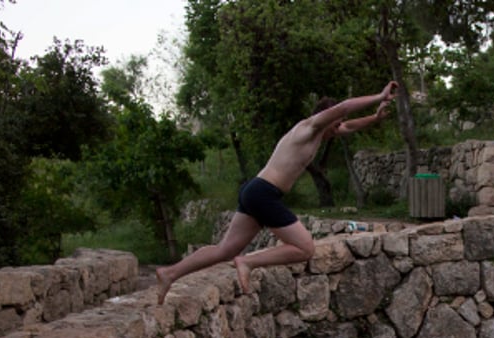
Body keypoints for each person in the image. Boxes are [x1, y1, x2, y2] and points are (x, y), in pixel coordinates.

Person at [155, 81, 398, 304]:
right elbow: (344, 108)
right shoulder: (308, 127)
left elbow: (348, 126)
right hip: (263, 193)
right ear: (325, 117)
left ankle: (170, 273)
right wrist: (379, 96)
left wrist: (374, 118)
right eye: (335, 122)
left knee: (225, 249)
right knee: (305, 248)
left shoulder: (318, 135)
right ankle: (248, 262)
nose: (338, 128)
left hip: (255, 191)